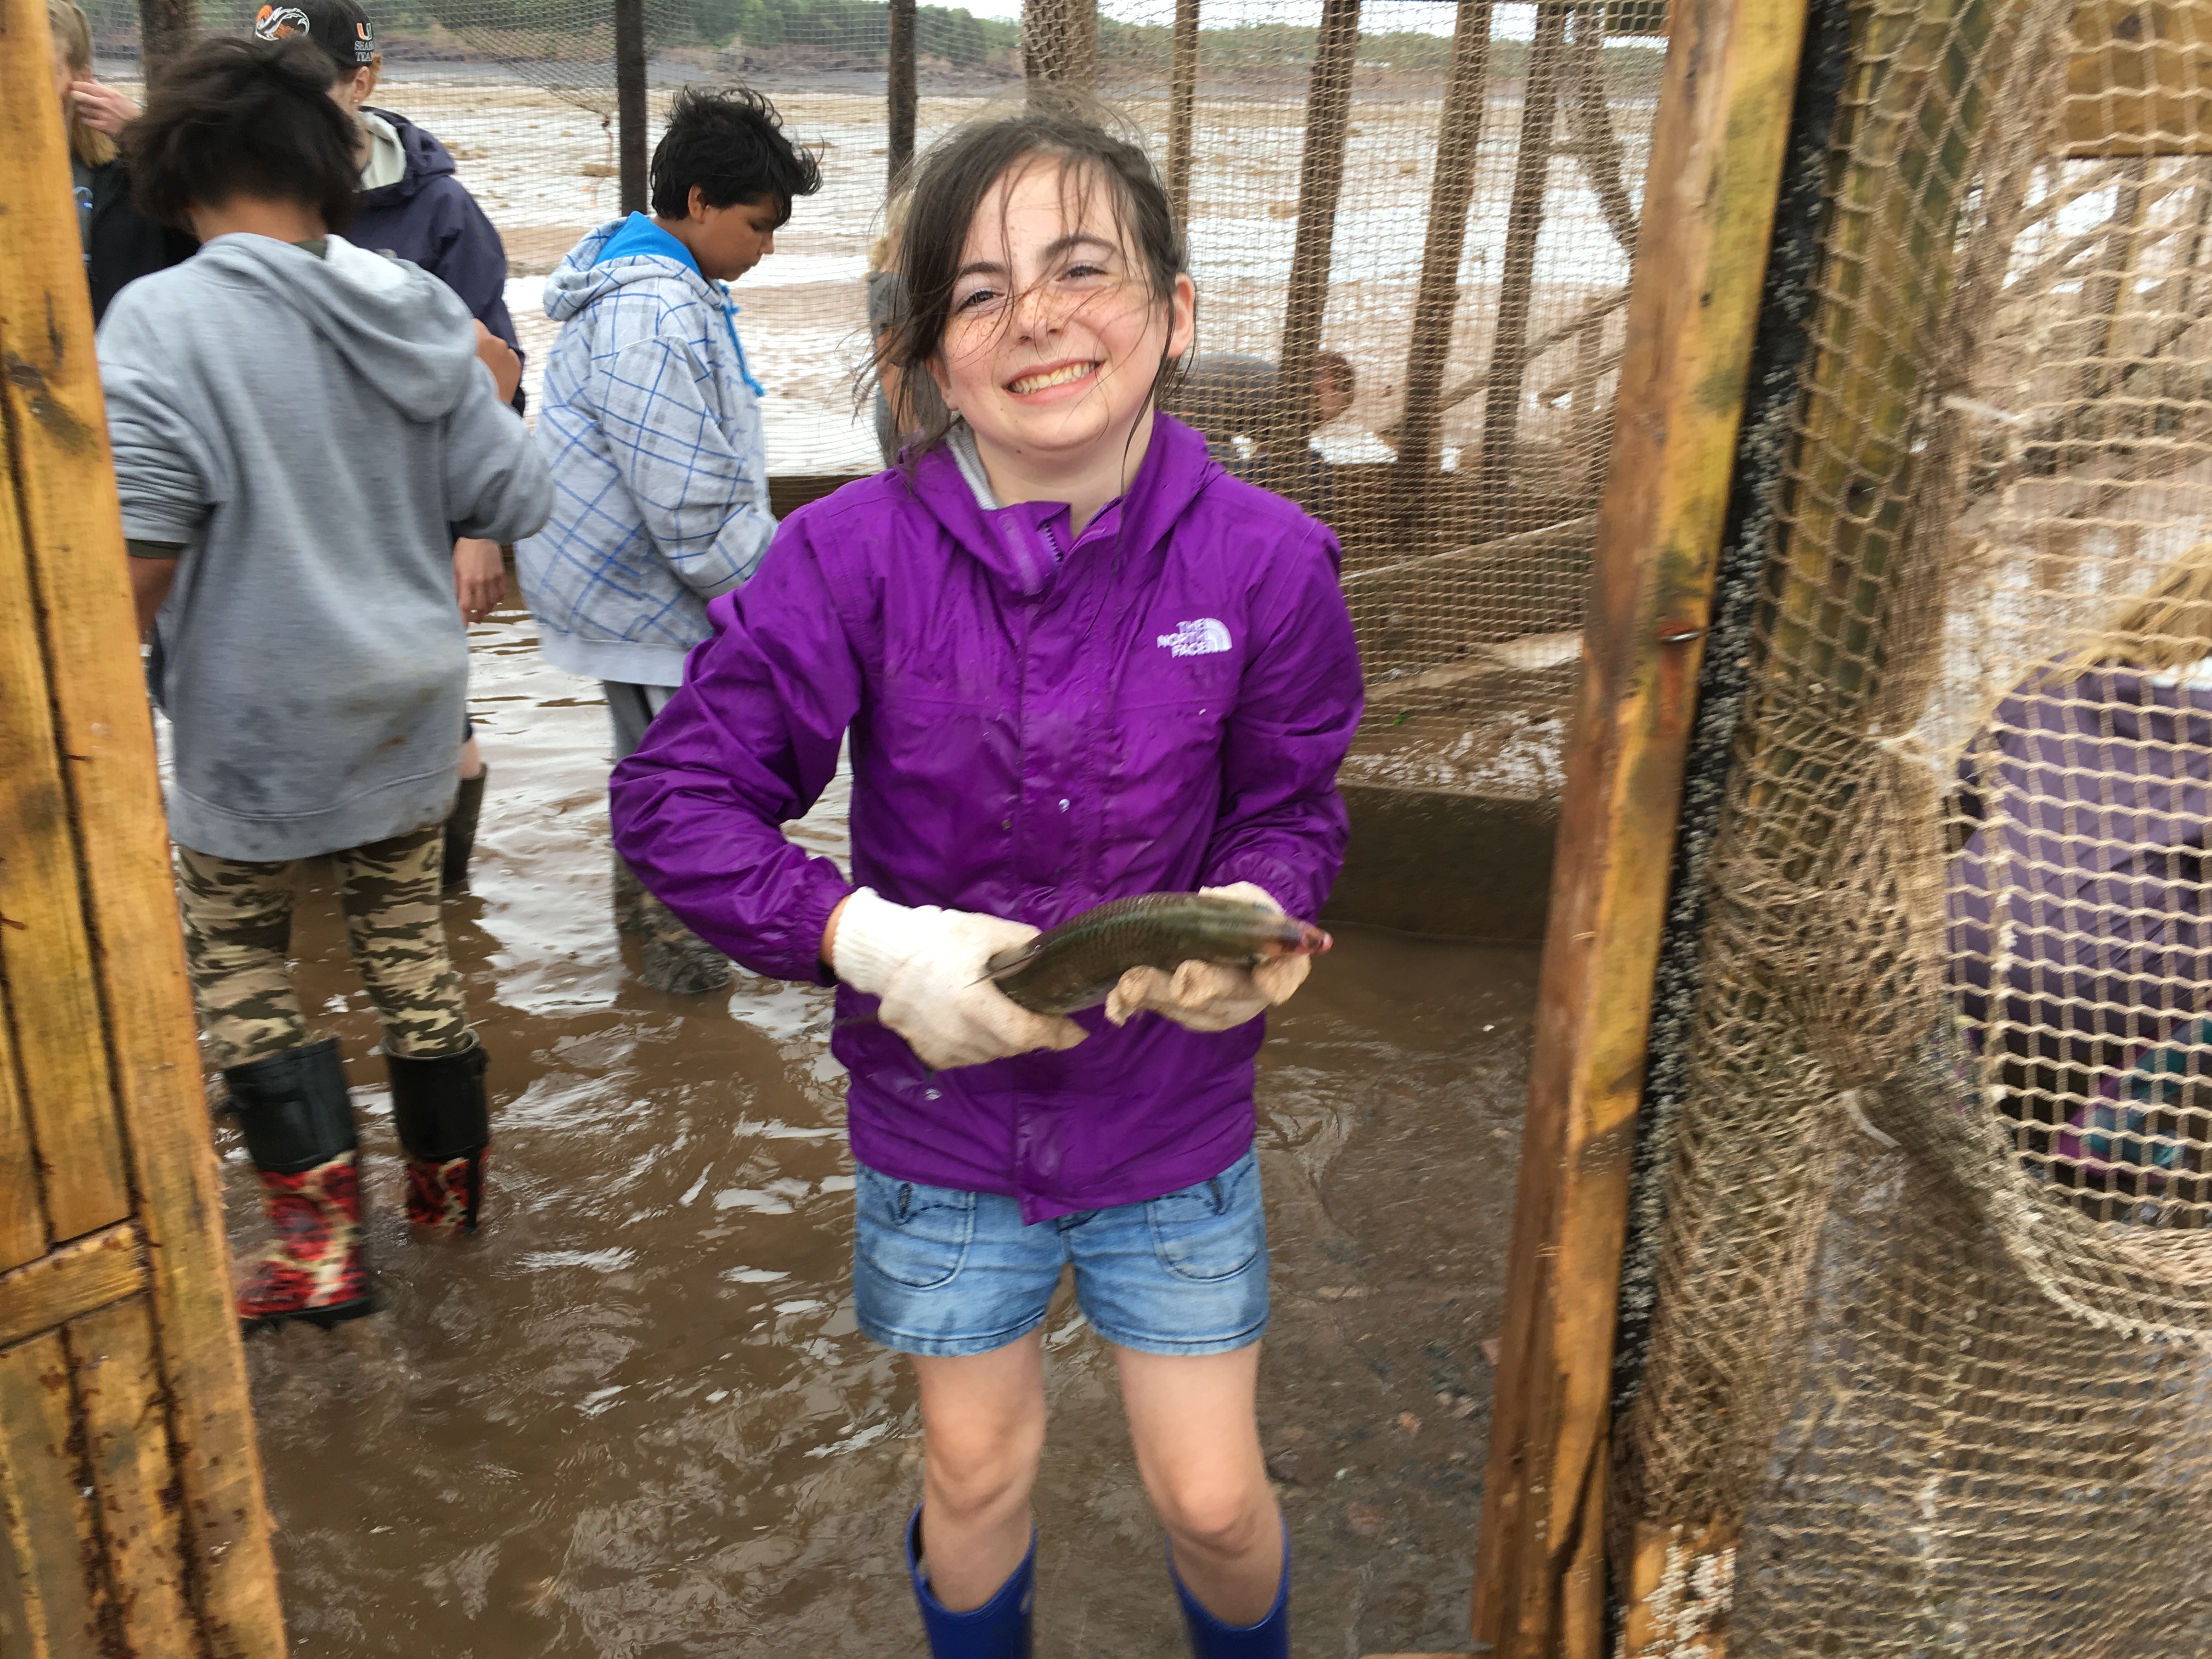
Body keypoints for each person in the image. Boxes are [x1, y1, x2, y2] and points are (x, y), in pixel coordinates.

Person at [608, 101, 1363, 1657]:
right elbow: (675, 798)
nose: (1035, 319)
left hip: (1170, 1122)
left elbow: (1291, 806)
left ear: (1173, 312)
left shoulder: (1273, 562)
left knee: (1213, 1500)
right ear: (932, 355)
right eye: (976, 292)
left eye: (1083, 269)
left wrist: (1253, 925)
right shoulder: (845, 559)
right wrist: (870, 945)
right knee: (973, 1462)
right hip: (939, 1114)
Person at [98, 34, 552, 1330]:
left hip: (255, 718)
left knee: (240, 960)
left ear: (176, 176)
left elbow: (139, 561)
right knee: (408, 945)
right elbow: (514, 490)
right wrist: (482, 368)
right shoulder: (410, 301)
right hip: (410, 704)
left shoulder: (165, 320)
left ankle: (314, 1252)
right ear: (332, 165)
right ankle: (448, 1204)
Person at [516, 84, 821, 995]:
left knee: (656, 774)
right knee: (681, 790)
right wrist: (779, 597)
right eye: (759, 225)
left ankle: (664, 974)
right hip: (644, 597)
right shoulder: (650, 310)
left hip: (634, 589)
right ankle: (680, 983)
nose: (766, 248)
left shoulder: (666, 286)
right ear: (698, 205)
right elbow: (686, 504)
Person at [251, 0, 520, 885]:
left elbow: (501, 377)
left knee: (436, 724)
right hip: (286, 520)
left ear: (361, 83)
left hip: (406, 519)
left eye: (299, 88)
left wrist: (478, 530)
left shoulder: (439, 209)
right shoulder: (247, 195)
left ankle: (442, 899)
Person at [1949, 539, 2212, 1216]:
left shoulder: (2057, 679)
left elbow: (1952, 816)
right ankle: (2141, 1169)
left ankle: (2008, 1113)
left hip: (1959, 996)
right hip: (2099, 1023)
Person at [46, 0, 196, 323]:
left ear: (81, 79)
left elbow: (215, 231)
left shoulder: (127, 178)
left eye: (43, 74)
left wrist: (144, 139)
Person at [1165, 349, 1356, 515]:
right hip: (1187, 412)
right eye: (1342, 405)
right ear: (1327, 384)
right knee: (1231, 483)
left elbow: (1268, 451)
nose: (1335, 417)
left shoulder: (1281, 382)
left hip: (1184, 399)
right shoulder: (1293, 397)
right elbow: (1278, 456)